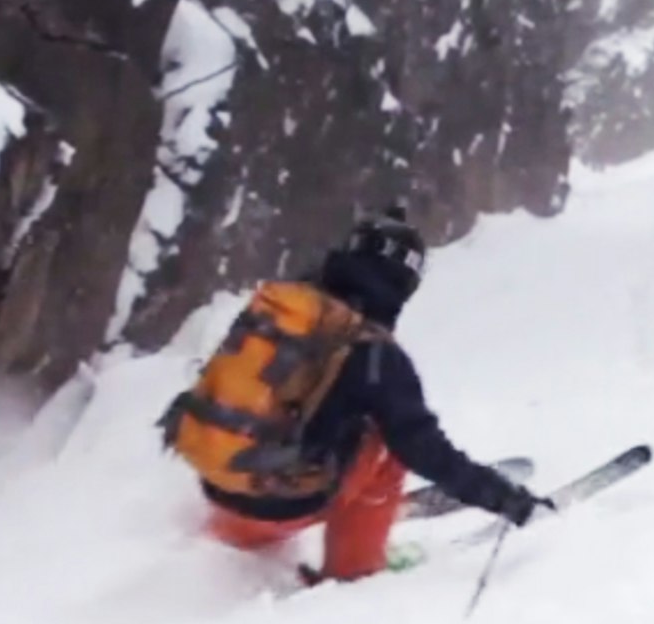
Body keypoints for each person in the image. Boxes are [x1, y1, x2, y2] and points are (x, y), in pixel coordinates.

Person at [177, 208, 539, 582]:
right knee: (387, 448)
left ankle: (231, 539)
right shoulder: (375, 354)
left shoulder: (280, 309)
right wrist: (505, 499)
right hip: (284, 508)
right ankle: (355, 570)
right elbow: (426, 451)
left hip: (217, 484)